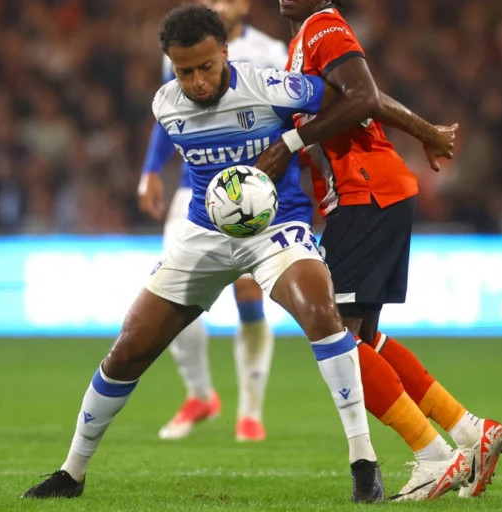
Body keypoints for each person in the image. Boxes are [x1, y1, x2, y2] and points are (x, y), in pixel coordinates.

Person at [23, 5, 385, 503]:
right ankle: (72, 472)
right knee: (128, 348)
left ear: (225, 53)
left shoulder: (271, 87)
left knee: (323, 314)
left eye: (205, 67)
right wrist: (152, 172)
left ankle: (364, 462)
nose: (195, 81)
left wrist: (303, 143)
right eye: (183, 70)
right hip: (203, 236)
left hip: (277, 226)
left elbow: (352, 98)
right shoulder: (164, 105)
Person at [253, 0, 502, 500]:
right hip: (377, 194)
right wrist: (426, 130)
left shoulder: (324, 27)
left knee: (338, 342)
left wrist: (291, 140)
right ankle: (469, 432)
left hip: (363, 194)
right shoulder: (306, 40)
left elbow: (365, 96)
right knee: (363, 340)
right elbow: (369, 96)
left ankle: (434, 457)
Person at [138, 0, 289, 442]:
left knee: (248, 294)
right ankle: (200, 394)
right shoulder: (184, 52)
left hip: (251, 189)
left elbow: (295, 114)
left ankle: (251, 410)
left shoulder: (270, 51)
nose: (220, 5)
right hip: (194, 190)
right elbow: (169, 116)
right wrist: (150, 170)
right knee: (171, 290)